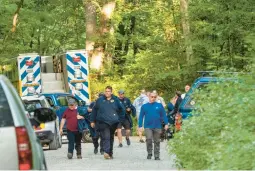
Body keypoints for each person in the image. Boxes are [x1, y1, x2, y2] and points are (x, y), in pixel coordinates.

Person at [90, 86, 125, 159]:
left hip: (113, 122)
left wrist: (120, 120)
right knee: (106, 136)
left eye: (108, 91)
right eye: (106, 91)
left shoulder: (116, 100)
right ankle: (106, 152)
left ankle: (110, 153)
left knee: (111, 137)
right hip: (103, 122)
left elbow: (122, 110)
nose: (107, 92)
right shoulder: (100, 100)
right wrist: (92, 120)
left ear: (111, 92)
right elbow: (94, 110)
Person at [139, 92, 169, 160]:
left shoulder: (159, 105)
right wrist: (140, 126)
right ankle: (149, 153)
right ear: (149, 97)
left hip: (157, 126)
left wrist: (166, 123)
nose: (153, 98)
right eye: (152, 97)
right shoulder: (144, 106)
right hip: (148, 126)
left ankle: (157, 155)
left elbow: (163, 115)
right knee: (149, 139)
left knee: (157, 141)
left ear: (156, 97)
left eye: (154, 97)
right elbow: (141, 117)